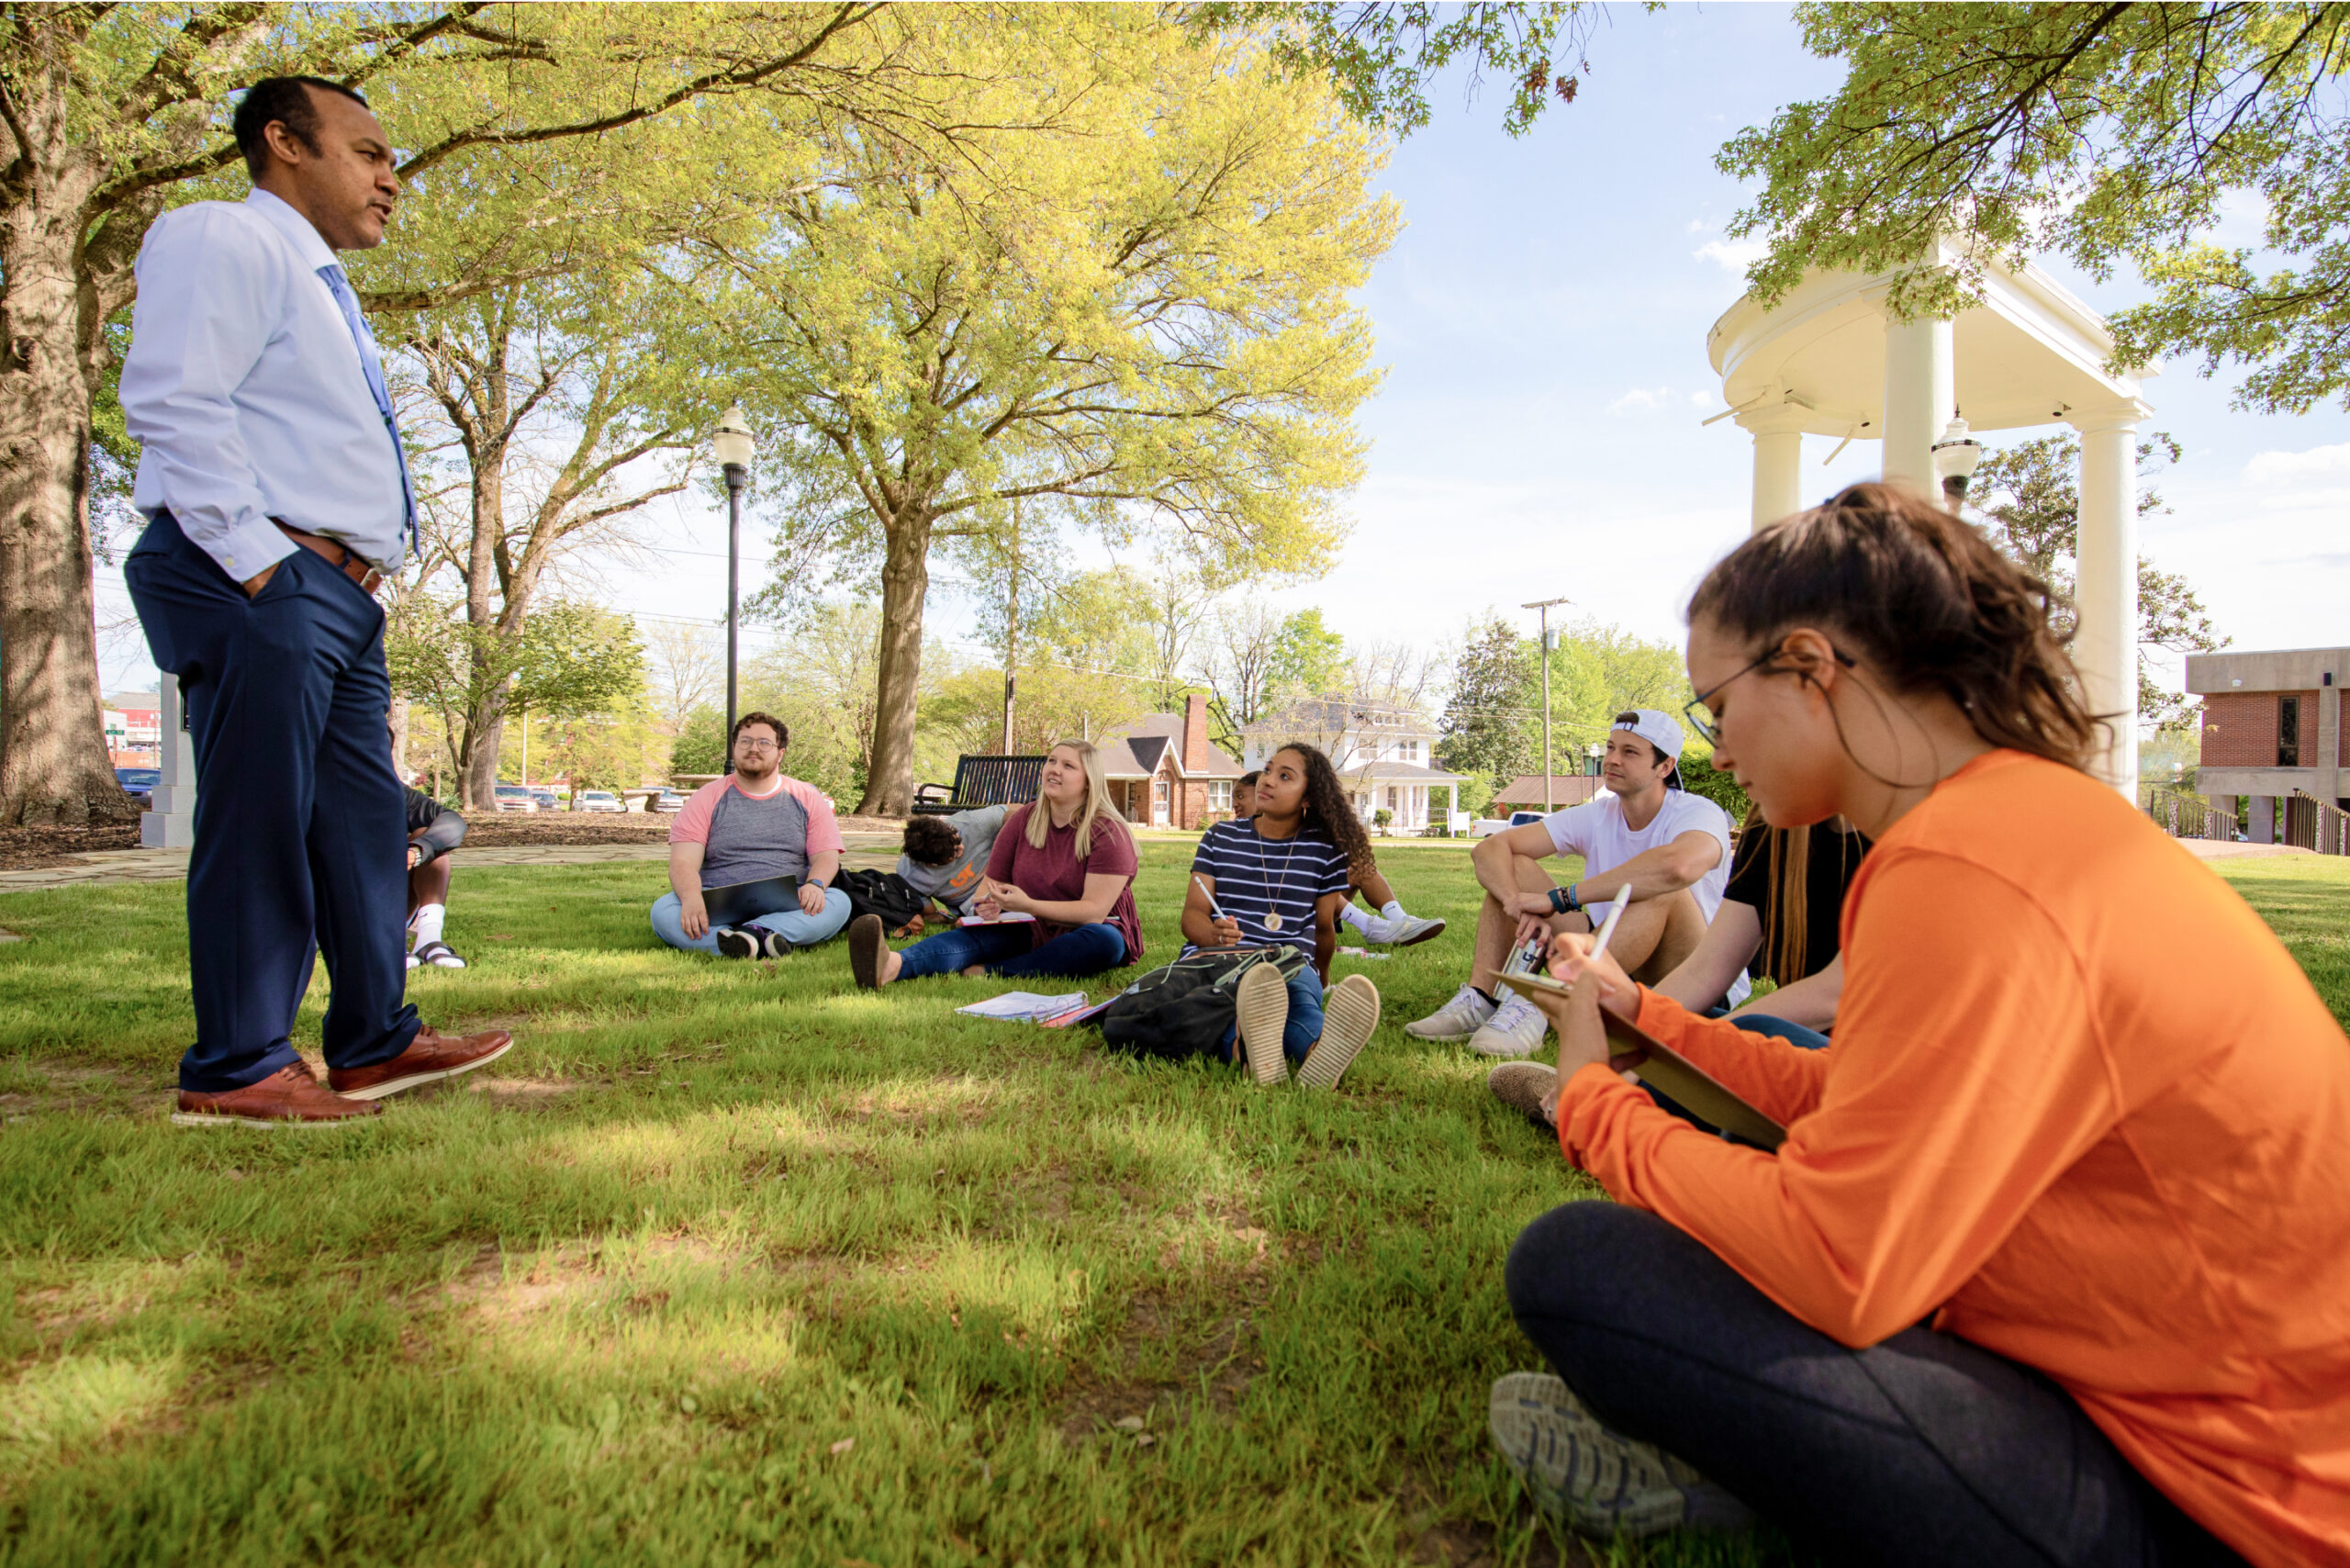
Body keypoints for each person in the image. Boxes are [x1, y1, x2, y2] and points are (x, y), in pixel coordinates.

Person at [1494, 483, 2350, 1564]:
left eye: (1716, 707)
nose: (1714, 748)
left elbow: (1843, 1264)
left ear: (1809, 668)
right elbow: (1873, 1099)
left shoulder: (1964, 864)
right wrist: (1651, 1024)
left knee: (1580, 1267)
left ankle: (1756, 1473)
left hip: (2224, 1504)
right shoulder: (2017, 819)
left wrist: (1593, 1105)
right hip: (2160, 1387)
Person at [121, 76, 510, 1126]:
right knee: (264, 821)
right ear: (285, 144)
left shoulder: (323, 288)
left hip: (337, 596)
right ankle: (239, 1063)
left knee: (361, 822)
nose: (391, 178)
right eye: (368, 151)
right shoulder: (224, 238)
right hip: (261, 576)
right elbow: (171, 396)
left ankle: (372, 1040)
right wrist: (260, 563)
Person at [1487, 814, 1868, 1124]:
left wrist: (1676, 1049)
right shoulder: (1773, 829)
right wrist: (1640, 1044)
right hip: (1809, 1057)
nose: (1722, 759)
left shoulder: (1905, 833)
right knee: (1706, 1022)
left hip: (1872, 1073)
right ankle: (1625, 1098)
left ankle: (1612, 1107)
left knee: (1750, 1031)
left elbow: (1832, 995)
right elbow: (1705, 970)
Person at [1405, 710, 1731, 1058]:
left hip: (1692, 975)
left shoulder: (1698, 812)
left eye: (1630, 752)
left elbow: (1678, 867)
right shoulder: (1599, 813)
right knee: (1512, 866)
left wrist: (1561, 899)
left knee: (1662, 891)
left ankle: (1546, 1004)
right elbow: (1492, 848)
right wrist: (1516, 902)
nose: (1612, 760)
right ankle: (1482, 998)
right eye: (1610, 748)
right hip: (1613, 954)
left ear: (1665, 767)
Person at [849, 741, 1141, 986]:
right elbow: (991, 885)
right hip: (1029, 924)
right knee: (973, 935)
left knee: (1104, 943)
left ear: (1089, 781)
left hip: (1089, 928)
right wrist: (987, 904)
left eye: (1068, 765)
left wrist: (1028, 905)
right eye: (1052, 761)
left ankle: (996, 971)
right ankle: (892, 965)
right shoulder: (1024, 820)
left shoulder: (1108, 832)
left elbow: (1092, 912)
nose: (1054, 769)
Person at [1180, 743, 1382, 1089]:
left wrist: (1320, 977)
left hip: (1287, 961)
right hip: (1220, 956)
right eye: (1269, 770)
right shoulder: (1219, 837)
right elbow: (1193, 915)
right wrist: (1214, 935)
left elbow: (1323, 927)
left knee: (1298, 1000)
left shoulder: (1323, 849)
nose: (1267, 781)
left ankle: (1290, 1052)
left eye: (1284, 776)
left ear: (1308, 798)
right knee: (1240, 1006)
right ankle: (1301, 1049)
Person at [652, 711, 850, 958]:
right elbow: (683, 861)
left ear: (780, 753)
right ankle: (763, 938)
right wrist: (692, 898)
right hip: (715, 902)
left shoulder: (807, 797)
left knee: (839, 902)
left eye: (764, 743)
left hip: (789, 903)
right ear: (735, 748)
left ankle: (744, 939)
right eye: (745, 741)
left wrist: (815, 884)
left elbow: (826, 856)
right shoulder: (706, 797)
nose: (753, 748)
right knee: (663, 910)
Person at [1238, 767, 1442, 946]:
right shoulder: (1236, 839)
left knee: (1358, 866)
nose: (1235, 805)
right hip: (1281, 918)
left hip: (1317, 908)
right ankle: (1368, 925)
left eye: (1240, 796)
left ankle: (1402, 921)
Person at [893, 805, 1009, 934]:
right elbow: (930, 913)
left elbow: (1018, 812)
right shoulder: (910, 874)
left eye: (957, 841)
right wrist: (942, 918)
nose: (961, 849)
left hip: (1006, 879)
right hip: (974, 905)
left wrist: (1007, 846)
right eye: (953, 854)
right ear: (929, 864)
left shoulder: (971, 822)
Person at [404, 786, 468, 969]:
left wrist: (417, 851)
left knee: (428, 838)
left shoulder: (385, 788)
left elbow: (452, 822)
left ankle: (428, 938)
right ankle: (383, 940)